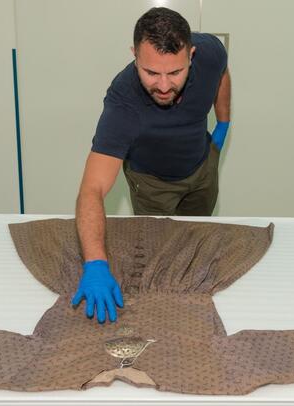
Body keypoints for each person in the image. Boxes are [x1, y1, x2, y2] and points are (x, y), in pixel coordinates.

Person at [72, 7, 230, 324]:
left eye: (175, 73)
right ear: (134, 56)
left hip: (202, 167)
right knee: (160, 255)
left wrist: (224, 122)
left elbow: (222, 73)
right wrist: (95, 264)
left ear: (192, 55)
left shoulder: (210, 51)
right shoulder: (123, 102)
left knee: (196, 239)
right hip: (152, 182)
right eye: (150, 72)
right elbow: (92, 188)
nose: (162, 85)